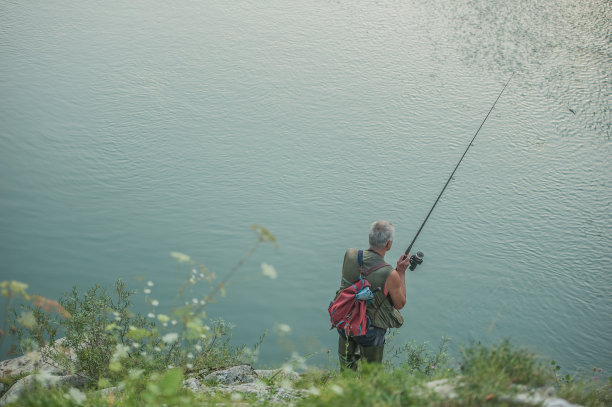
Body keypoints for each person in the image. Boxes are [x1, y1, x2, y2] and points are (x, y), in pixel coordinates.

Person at [335, 220, 411, 370]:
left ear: (370, 238)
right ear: (388, 245)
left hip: (346, 320)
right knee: (371, 374)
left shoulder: (350, 255)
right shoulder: (391, 274)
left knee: (346, 367)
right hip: (370, 330)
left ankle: (344, 390)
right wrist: (401, 272)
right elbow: (400, 304)